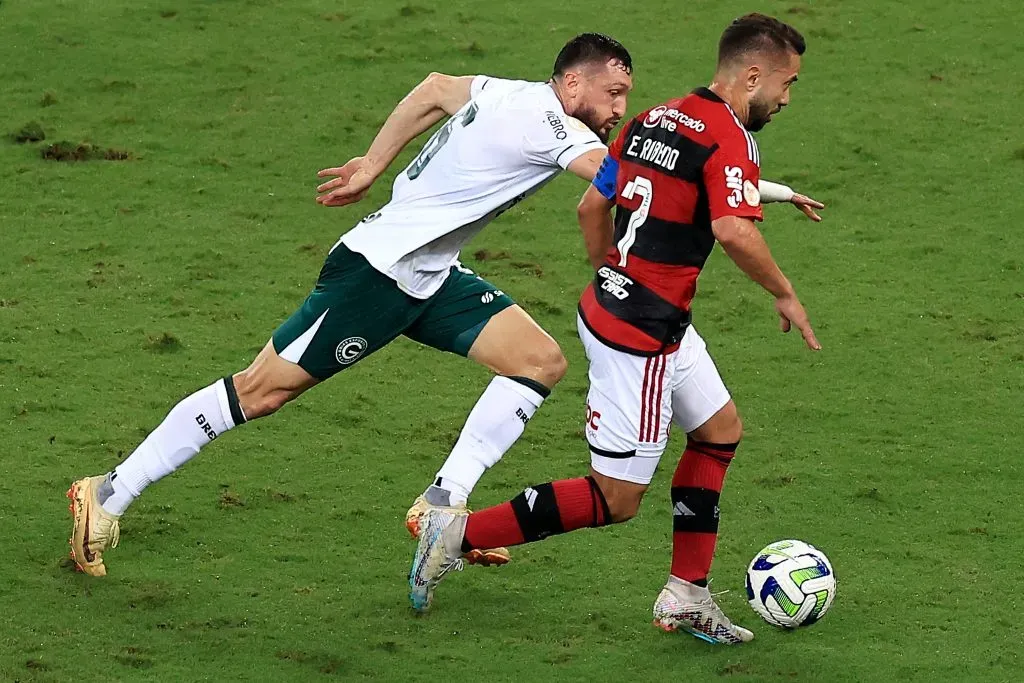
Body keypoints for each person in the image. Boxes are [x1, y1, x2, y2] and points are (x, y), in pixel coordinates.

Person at [67, 32, 635, 577]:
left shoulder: (506, 91)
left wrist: (372, 162)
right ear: (570, 84)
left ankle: (442, 503)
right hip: (375, 275)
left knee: (538, 360)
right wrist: (679, 168)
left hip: (429, 276)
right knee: (261, 391)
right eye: (613, 93)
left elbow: (436, 87)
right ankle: (108, 491)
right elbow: (614, 176)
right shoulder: (552, 124)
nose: (620, 106)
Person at [409, 14, 820, 647]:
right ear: (754, 74)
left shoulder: (657, 118)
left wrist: (612, 272)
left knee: (718, 432)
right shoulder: (729, 139)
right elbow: (734, 228)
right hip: (643, 337)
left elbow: (593, 205)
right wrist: (785, 293)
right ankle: (458, 536)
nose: (788, 99)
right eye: (787, 84)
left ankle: (686, 596)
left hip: (624, 310)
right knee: (616, 499)